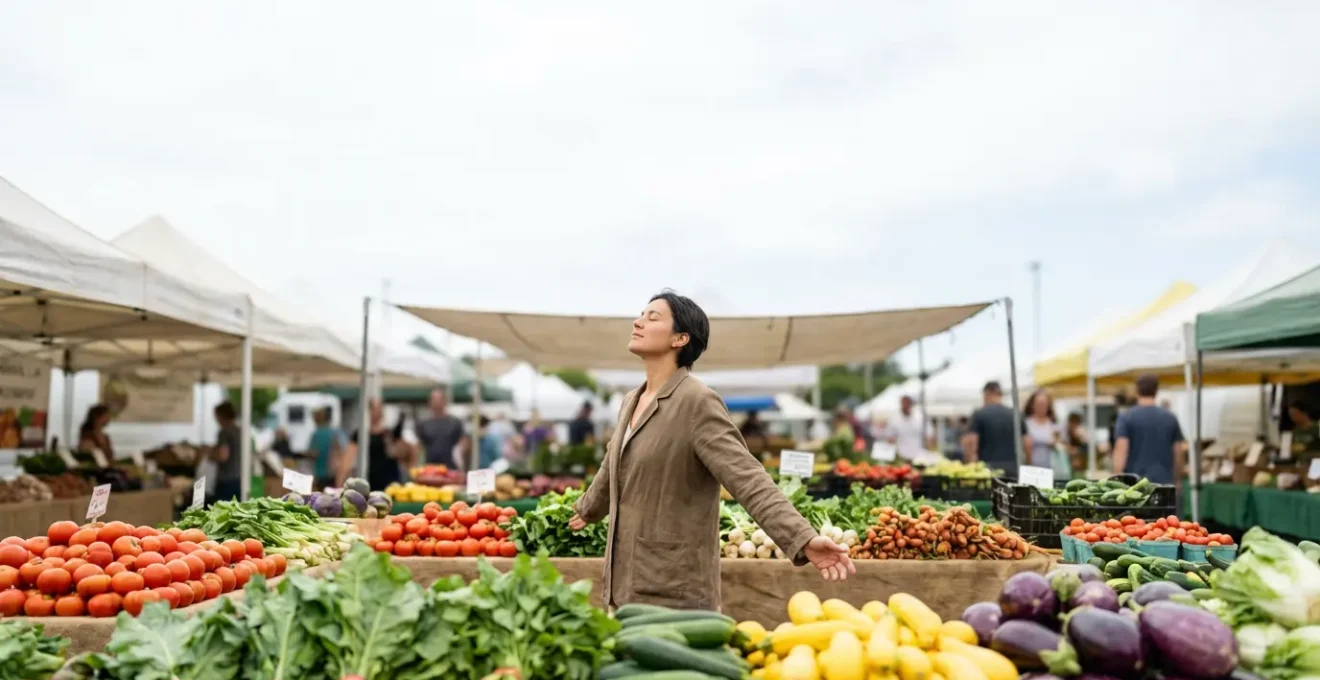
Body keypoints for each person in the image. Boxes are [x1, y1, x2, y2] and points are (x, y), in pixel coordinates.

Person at [569, 290, 853, 611]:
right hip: (622, 580)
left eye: (653, 317)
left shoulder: (697, 400)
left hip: (672, 586)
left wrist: (802, 537)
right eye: (640, 315)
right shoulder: (631, 400)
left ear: (680, 338)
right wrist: (588, 508)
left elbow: (746, 477)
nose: (638, 322)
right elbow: (614, 462)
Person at [1112, 374, 1185, 485]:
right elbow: (1178, 452)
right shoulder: (1170, 417)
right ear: (1156, 391)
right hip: (1164, 482)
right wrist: (1178, 479)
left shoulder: (1126, 417)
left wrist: (1116, 477)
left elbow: (1121, 449)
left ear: (1137, 391)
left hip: (1135, 484)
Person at [963, 381, 1019, 478]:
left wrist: (971, 468)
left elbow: (971, 443)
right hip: (1013, 468)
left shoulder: (979, 414)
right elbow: (1027, 443)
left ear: (987, 393)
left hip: (987, 469)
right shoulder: (1015, 414)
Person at [348, 398, 402, 490]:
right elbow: (348, 458)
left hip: (390, 480)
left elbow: (397, 454)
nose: (378, 411)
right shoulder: (360, 434)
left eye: (380, 408)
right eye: (375, 408)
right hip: (370, 479)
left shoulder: (389, 433)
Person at [417, 389, 464, 469]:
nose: (436, 403)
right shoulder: (424, 424)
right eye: (434, 400)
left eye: (439, 400)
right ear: (430, 402)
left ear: (444, 401)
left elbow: (462, 445)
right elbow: (420, 447)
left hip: (450, 468)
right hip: (430, 468)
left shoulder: (455, 423)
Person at [211, 401, 244, 502]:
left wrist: (211, 456)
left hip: (226, 480)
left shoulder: (224, 432)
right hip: (240, 477)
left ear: (221, 416)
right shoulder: (240, 431)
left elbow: (223, 455)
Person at [306, 408, 347, 489]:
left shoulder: (316, 434)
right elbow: (343, 449)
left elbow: (313, 453)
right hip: (333, 472)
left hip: (320, 472)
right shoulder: (334, 432)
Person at [1022, 390, 1059, 468]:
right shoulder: (1026, 423)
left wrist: (1055, 443)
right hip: (1031, 467)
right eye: (1039, 404)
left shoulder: (1053, 423)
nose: (1042, 407)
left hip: (1050, 467)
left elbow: (1059, 443)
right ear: (1032, 405)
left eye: (1044, 404)